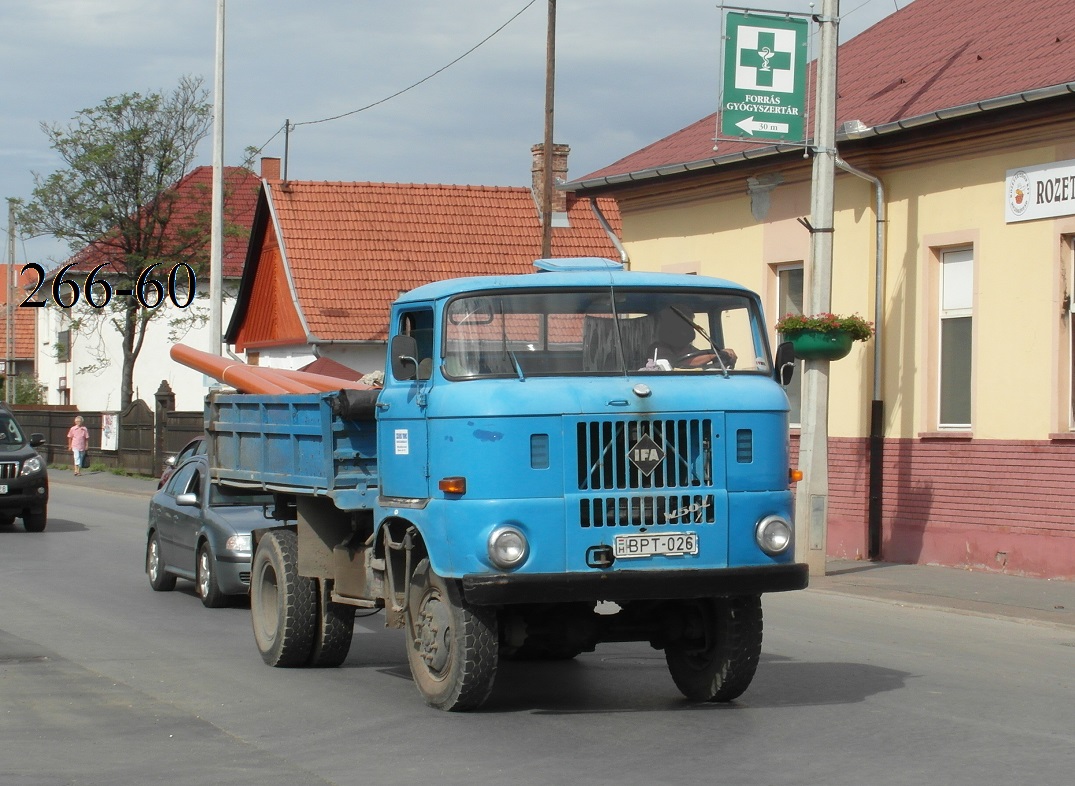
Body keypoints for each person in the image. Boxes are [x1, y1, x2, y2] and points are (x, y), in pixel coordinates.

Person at [646, 307, 737, 370]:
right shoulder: (657, 349)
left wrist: (726, 358)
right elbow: (681, 364)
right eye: (680, 325)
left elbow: (698, 361)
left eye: (690, 324)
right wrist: (714, 355)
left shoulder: (691, 349)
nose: (687, 329)